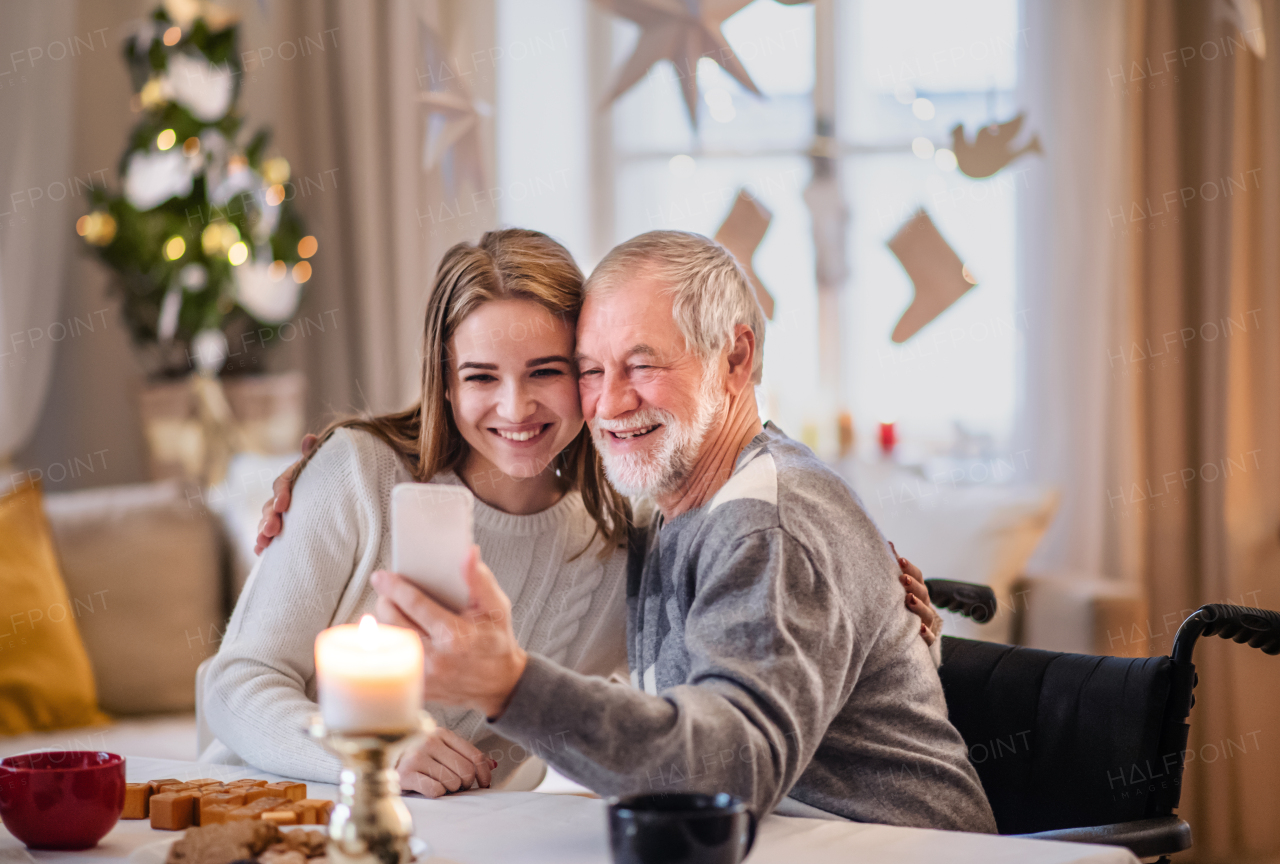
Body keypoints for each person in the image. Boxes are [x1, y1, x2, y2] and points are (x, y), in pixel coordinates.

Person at [210, 228, 942, 799]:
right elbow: (235, 684)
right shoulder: (360, 474)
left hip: (459, 837)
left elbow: (729, 688)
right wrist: (366, 748)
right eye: (479, 377)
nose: (514, 408)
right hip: (275, 806)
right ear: (443, 381)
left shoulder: (620, 543)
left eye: (552, 372)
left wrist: (871, 589)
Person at [366, 230, 997, 830]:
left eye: (642, 365)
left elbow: (732, 772)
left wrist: (509, 685)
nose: (610, 404)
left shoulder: (766, 525)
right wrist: (333, 459)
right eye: (589, 371)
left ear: (736, 358)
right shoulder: (661, 507)